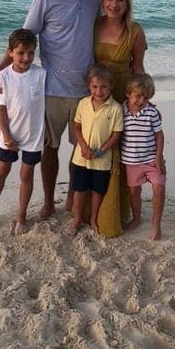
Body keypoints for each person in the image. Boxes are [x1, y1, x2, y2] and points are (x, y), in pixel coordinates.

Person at [0, 0, 100, 220]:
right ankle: (49, 202)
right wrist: (0, 72)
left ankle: (73, 200)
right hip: (50, 90)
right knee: (49, 149)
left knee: (80, 152)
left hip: (85, 92)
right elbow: (24, 37)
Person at [93, 0, 147, 237]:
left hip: (122, 98)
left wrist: (142, 102)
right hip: (97, 97)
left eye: (119, 0)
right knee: (96, 153)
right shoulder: (94, 26)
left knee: (120, 154)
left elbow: (138, 69)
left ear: (127, 4)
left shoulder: (135, 31)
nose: (113, 5)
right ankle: (89, 209)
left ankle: (120, 212)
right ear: (102, 1)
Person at [0, 29, 46, 233]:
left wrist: (49, 130)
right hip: (10, 135)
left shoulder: (41, 75)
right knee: (1, 172)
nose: (26, 58)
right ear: (10, 52)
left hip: (34, 136)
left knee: (27, 175)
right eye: (21, 53)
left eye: (30, 53)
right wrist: (6, 135)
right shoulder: (3, 76)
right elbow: (1, 108)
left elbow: (46, 104)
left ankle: (21, 217)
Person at [69, 64, 123, 236]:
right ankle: (77, 219)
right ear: (89, 86)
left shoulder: (115, 108)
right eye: (94, 87)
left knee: (98, 191)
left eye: (103, 87)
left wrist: (101, 150)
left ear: (111, 86)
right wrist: (83, 146)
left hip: (102, 160)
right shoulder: (83, 103)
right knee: (79, 189)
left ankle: (93, 218)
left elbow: (116, 135)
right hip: (81, 157)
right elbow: (76, 127)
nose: (99, 91)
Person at [120, 74, 166, 241]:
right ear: (128, 93)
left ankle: (156, 223)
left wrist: (158, 157)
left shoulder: (151, 112)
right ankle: (137, 218)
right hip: (131, 161)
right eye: (137, 96)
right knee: (133, 191)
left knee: (159, 188)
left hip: (152, 159)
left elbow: (159, 135)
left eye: (145, 97)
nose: (141, 101)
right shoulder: (120, 111)